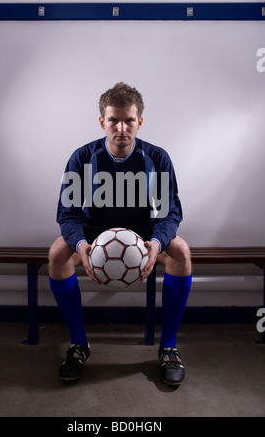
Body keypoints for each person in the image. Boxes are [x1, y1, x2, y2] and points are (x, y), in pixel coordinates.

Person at [48, 82, 192, 386]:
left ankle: (168, 348)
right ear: (103, 121)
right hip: (94, 232)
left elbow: (170, 214)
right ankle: (79, 345)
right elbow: (68, 214)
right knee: (57, 253)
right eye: (114, 120)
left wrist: (156, 243)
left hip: (143, 233)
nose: (122, 127)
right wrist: (81, 244)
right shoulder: (82, 158)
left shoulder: (158, 158)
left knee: (181, 252)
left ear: (140, 121)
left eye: (129, 120)